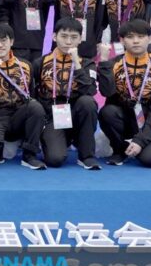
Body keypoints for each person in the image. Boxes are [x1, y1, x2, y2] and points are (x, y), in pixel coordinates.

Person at [98, 19, 151, 168]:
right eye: (130, 37)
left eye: (141, 36)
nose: (136, 41)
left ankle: (142, 141)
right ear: (122, 40)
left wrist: (140, 141)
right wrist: (104, 62)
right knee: (107, 112)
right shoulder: (112, 65)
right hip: (122, 118)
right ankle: (120, 149)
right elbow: (106, 92)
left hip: (147, 122)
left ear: (149, 39)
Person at [0, 23, 46, 169]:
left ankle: (29, 155)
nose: (0, 45)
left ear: (12, 41)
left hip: (18, 115)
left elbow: (31, 95)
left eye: (4, 40)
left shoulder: (25, 65)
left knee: (35, 107)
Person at [32, 18, 100, 169]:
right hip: (52, 117)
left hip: (76, 115)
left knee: (88, 102)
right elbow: (32, 93)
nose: (68, 42)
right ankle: (57, 141)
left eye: (74, 37)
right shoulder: (40, 63)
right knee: (55, 160)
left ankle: (86, 156)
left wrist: (76, 63)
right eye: (64, 36)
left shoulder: (87, 64)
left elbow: (90, 91)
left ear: (80, 39)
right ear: (54, 37)